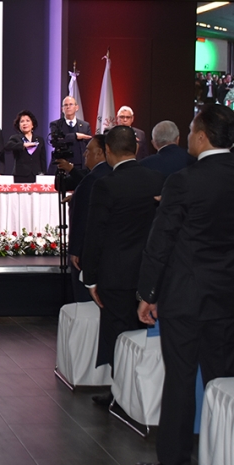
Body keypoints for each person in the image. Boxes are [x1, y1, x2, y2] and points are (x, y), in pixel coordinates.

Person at [135, 104, 234, 465]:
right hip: (226, 298)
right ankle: (220, 451)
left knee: (179, 381)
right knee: (222, 381)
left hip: (184, 299)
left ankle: (175, 457)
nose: (188, 137)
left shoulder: (184, 180)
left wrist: (147, 294)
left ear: (203, 136)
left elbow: (160, 242)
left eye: (191, 131)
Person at [81, 125, 164, 405]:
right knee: (142, 336)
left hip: (114, 275)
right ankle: (142, 397)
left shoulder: (105, 185)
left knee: (118, 334)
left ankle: (120, 395)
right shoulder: (158, 179)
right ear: (137, 148)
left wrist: (90, 278)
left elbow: (95, 235)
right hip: (149, 272)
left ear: (107, 152)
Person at [67, 134, 110, 303]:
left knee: (85, 301)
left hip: (88, 253)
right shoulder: (113, 174)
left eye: (88, 151)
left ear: (99, 153)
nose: (85, 155)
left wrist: (75, 250)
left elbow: (82, 219)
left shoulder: (90, 180)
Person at [48, 96, 92, 173]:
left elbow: (89, 144)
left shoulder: (85, 125)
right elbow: (55, 140)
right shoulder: (56, 124)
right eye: (65, 105)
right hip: (62, 166)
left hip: (80, 166)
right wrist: (75, 136)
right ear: (62, 109)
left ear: (76, 107)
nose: (68, 107)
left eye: (71, 104)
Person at [5, 110, 47, 183]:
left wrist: (44, 172)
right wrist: (23, 145)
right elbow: (8, 146)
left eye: (27, 121)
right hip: (20, 174)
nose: (25, 123)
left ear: (32, 124)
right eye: (22, 121)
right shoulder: (15, 138)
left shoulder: (39, 139)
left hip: (37, 174)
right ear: (19, 125)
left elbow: (42, 158)